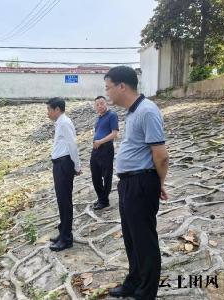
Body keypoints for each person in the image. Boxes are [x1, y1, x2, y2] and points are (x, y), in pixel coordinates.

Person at [104, 66, 169, 300]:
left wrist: (158, 183)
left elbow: (160, 155)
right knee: (132, 238)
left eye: (108, 87)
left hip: (142, 182)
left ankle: (146, 292)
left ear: (122, 86)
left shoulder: (148, 111)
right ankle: (134, 282)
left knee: (144, 240)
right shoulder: (132, 112)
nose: (107, 93)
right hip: (129, 184)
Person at [46, 97, 82, 252]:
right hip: (59, 164)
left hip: (64, 164)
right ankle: (63, 232)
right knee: (62, 201)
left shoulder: (65, 123)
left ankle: (66, 239)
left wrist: (77, 165)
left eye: (49, 110)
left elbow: (72, 145)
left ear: (57, 109)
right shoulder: (60, 123)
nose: (48, 113)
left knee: (65, 201)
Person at [90, 96, 119, 210]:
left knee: (106, 175)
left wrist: (100, 141)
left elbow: (114, 134)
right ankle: (100, 197)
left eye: (101, 103)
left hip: (106, 148)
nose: (100, 106)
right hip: (96, 149)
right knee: (95, 175)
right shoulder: (98, 118)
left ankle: (104, 200)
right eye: (97, 104)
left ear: (106, 103)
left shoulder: (112, 115)